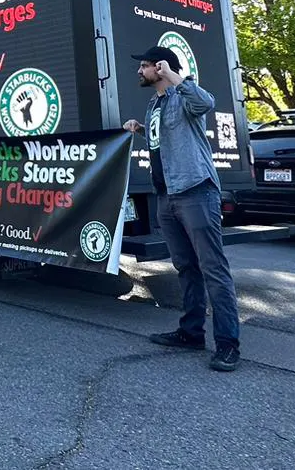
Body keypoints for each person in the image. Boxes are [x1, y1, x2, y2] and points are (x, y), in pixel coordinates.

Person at [122, 45, 241, 372]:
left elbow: (206, 103)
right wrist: (141, 130)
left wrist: (174, 76)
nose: (140, 71)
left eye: (145, 66)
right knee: (186, 267)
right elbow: (168, 141)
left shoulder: (182, 96)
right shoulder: (155, 103)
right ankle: (191, 333)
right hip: (167, 196)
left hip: (195, 191)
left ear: (160, 68)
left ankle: (228, 344)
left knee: (212, 267)